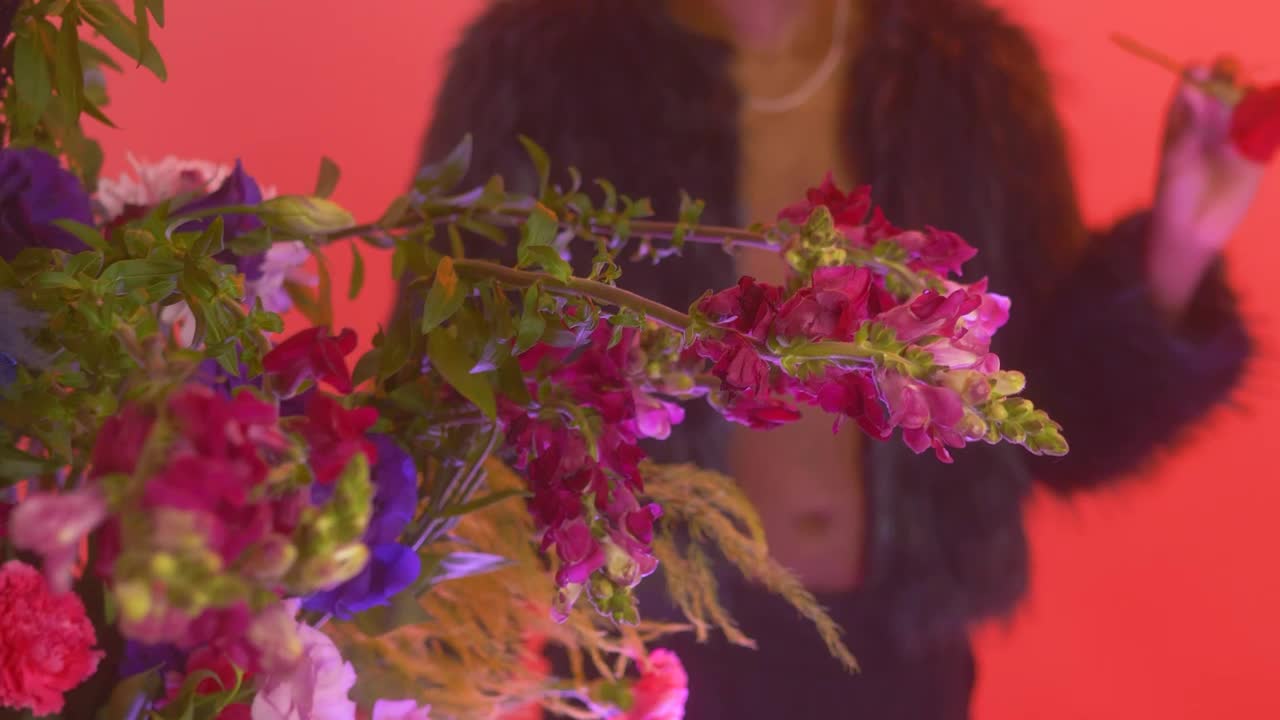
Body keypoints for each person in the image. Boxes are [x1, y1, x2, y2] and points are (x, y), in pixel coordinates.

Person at [400, 0, 1261, 716]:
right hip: (632, 653)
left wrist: (1184, 236)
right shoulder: (535, 67)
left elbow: (1058, 415)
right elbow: (434, 393)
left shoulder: (966, 72)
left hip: (892, 665)